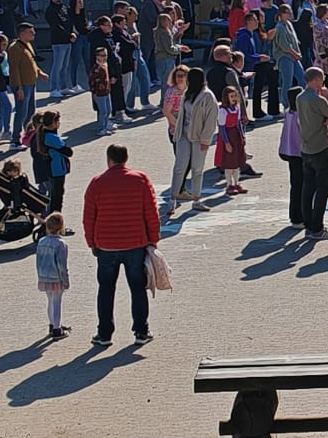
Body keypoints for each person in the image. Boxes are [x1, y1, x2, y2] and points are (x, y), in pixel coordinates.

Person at [83, 143, 161, 346]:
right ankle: (141, 332)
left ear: (108, 159)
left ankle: (104, 334)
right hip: (135, 244)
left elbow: (89, 217)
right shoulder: (140, 179)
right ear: (126, 159)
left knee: (106, 289)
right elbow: (151, 212)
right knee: (138, 288)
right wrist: (153, 239)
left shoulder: (97, 183)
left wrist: (91, 242)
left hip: (106, 245)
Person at [292, 66, 328, 235]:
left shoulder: (300, 97)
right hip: (320, 146)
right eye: (322, 78)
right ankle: (317, 227)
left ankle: (309, 224)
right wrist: (327, 97)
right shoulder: (318, 99)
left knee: (308, 188)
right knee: (323, 189)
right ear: (316, 79)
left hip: (306, 147)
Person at [169, 67, 218, 206]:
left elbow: (211, 120)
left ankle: (196, 199)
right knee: (179, 167)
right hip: (184, 135)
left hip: (199, 138)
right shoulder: (187, 93)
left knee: (197, 169)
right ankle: (173, 198)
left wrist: (206, 140)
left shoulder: (208, 96)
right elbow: (182, 116)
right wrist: (177, 133)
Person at [34, 211, 72, 341]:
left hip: (44, 276)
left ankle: (52, 324)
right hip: (56, 277)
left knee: (50, 301)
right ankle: (57, 328)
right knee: (57, 302)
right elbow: (62, 264)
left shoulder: (41, 241)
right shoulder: (61, 244)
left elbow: (38, 260)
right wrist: (65, 280)